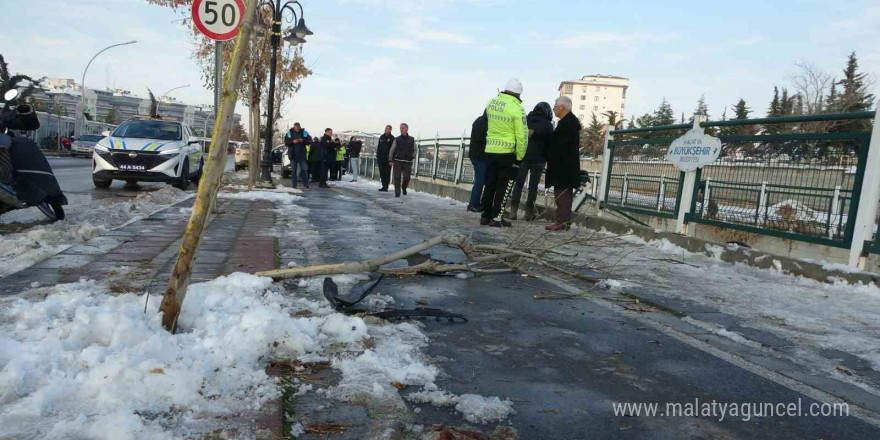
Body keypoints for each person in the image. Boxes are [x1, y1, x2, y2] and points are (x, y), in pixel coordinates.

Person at [480, 78, 527, 227]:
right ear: (519, 94)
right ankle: (496, 218)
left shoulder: (491, 103)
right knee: (504, 187)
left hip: (490, 150)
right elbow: (522, 135)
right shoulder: (517, 108)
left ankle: (485, 215)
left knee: (489, 184)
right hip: (507, 153)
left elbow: (486, 123)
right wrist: (520, 156)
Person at [508, 102, 553, 221]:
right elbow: (550, 143)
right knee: (533, 187)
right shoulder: (548, 124)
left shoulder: (525, 121)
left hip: (522, 157)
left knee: (518, 184)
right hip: (539, 159)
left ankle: (513, 211)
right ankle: (528, 213)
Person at [545, 96, 582, 231]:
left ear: (562, 107)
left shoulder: (567, 124)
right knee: (562, 193)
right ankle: (562, 221)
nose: (554, 108)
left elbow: (559, 145)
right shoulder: (569, 122)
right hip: (565, 166)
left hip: (564, 166)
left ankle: (562, 222)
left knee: (562, 194)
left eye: (555, 105)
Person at [467, 112, 488, 213]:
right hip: (479, 156)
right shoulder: (481, 122)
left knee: (480, 181)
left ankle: (475, 203)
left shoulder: (480, 121)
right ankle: (473, 204)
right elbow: (481, 137)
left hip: (477, 155)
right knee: (480, 181)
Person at [388, 123, 415, 198]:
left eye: (402, 128)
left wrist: (413, 156)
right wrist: (390, 159)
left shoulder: (411, 139)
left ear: (407, 129)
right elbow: (392, 150)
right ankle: (397, 192)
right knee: (397, 177)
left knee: (407, 177)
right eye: (400, 128)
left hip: (408, 162)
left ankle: (404, 187)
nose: (401, 129)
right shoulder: (397, 139)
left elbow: (415, 149)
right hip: (398, 161)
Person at [284, 122, 310, 189]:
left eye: (298, 129)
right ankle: (294, 185)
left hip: (302, 155)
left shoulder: (305, 133)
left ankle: (306, 185)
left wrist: (303, 141)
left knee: (304, 170)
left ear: (300, 127)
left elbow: (309, 141)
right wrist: (292, 142)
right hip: (293, 155)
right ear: (294, 127)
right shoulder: (289, 133)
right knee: (293, 171)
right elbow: (286, 142)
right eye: (296, 129)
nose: (297, 130)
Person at [376, 125, 394, 191]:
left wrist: (391, 159)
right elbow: (379, 147)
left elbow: (393, 149)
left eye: (388, 129)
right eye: (385, 128)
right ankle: (383, 185)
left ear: (390, 130)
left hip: (388, 159)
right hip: (380, 158)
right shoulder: (381, 137)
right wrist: (377, 155)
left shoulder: (392, 138)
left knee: (387, 172)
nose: (386, 130)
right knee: (381, 172)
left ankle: (386, 187)